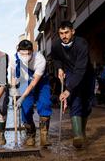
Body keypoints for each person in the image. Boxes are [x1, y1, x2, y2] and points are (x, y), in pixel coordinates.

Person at [51, 21, 95, 149]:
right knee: (75, 100)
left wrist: (68, 89)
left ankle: (82, 131)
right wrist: (59, 68)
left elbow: (80, 69)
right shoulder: (56, 45)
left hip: (86, 74)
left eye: (66, 33)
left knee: (87, 104)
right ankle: (77, 136)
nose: (64, 36)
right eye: (61, 33)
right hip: (70, 73)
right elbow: (56, 58)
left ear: (73, 31)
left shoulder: (82, 44)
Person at [11, 39, 52, 147]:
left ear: (32, 51)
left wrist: (22, 96)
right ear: (18, 51)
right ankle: (30, 134)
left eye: (28, 54)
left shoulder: (40, 60)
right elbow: (13, 76)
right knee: (25, 107)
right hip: (24, 80)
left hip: (41, 82)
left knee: (45, 104)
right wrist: (14, 88)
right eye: (23, 54)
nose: (26, 56)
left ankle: (44, 136)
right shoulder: (14, 59)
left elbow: (34, 83)